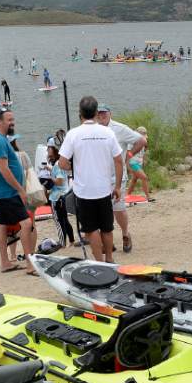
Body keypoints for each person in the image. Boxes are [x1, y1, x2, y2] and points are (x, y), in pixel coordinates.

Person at [59, 96, 123, 262]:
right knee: (107, 228)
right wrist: (117, 186)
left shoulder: (73, 134)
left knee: (91, 229)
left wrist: (74, 169)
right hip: (104, 188)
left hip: (84, 191)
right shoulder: (107, 132)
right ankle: (109, 258)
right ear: (96, 112)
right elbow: (118, 160)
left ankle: (99, 261)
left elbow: (62, 162)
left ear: (80, 113)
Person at [0, 109, 36, 274]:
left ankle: (5, 262)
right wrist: (20, 189)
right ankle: (30, 264)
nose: (12, 122)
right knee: (26, 223)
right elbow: (3, 169)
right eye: (9, 119)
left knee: (2, 224)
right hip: (8, 192)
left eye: (13, 119)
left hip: (2, 192)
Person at [96, 103, 145, 253]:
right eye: (99, 113)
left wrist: (128, 156)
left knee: (118, 209)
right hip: (99, 177)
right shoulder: (94, 130)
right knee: (103, 210)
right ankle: (107, 242)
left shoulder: (119, 128)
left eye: (104, 113)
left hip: (117, 176)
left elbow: (141, 141)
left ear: (110, 113)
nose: (102, 116)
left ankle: (125, 234)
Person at [47, 142, 74, 246]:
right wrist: (50, 169)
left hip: (56, 197)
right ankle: (71, 241)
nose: (47, 152)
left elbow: (59, 181)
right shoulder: (60, 163)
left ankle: (62, 243)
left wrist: (49, 178)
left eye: (49, 149)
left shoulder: (57, 165)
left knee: (58, 221)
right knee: (65, 220)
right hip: (64, 195)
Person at [125, 127, 153, 201]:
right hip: (133, 163)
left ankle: (127, 195)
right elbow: (128, 153)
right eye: (143, 134)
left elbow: (143, 153)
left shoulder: (143, 141)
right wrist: (127, 165)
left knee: (134, 180)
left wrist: (143, 161)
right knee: (144, 178)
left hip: (138, 163)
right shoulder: (132, 142)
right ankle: (148, 197)